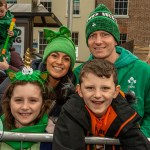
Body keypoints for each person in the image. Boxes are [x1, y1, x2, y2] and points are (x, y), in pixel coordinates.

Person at [74, 4, 150, 137]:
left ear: (115, 39)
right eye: (92, 35)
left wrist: (137, 138)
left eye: (105, 34)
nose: (98, 41)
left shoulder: (143, 71)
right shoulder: (78, 73)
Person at [53, 59, 150, 150]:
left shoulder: (124, 115)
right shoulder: (71, 112)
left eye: (105, 88)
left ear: (116, 92)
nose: (97, 95)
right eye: (90, 88)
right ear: (79, 91)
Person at [31, 26, 76, 133]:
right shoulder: (24, 80)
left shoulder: (72, 93)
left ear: (70, 65)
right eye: (54, 56)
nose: (59, 62)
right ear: (46, 59)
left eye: (66, 59)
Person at [0, 65, 52, 149]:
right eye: (18, 100)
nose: (25, 107)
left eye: (33, 100)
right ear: (9, 102)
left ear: (43, 104)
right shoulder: (0, 129)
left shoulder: (52, 135)